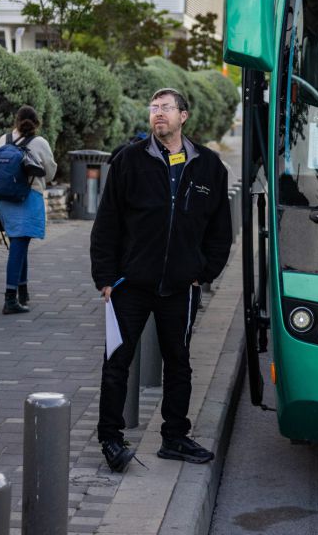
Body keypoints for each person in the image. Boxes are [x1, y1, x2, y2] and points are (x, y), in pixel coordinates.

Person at [90, 88, 233, 472]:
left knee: (179, 362)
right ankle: (110, 438)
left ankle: (174, 437)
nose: (158, 114)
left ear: (183, 116)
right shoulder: (128, 162)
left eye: (166, 108)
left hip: (180, 288)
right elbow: (107, 224)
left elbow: (221, 231)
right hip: (129, 286)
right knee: (117, 362)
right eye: (154, 108)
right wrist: (106, 277)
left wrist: (203, 275)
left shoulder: (208, 167)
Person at [0, 105, 57, 314]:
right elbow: (49, 173)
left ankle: (23, 290)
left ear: (16, 121)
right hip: (27, 198)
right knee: (19, 246)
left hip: (3, 199)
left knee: (19, 243)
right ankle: (10, 299)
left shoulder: (4, 139)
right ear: (37, 123)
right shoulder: (40, 143)